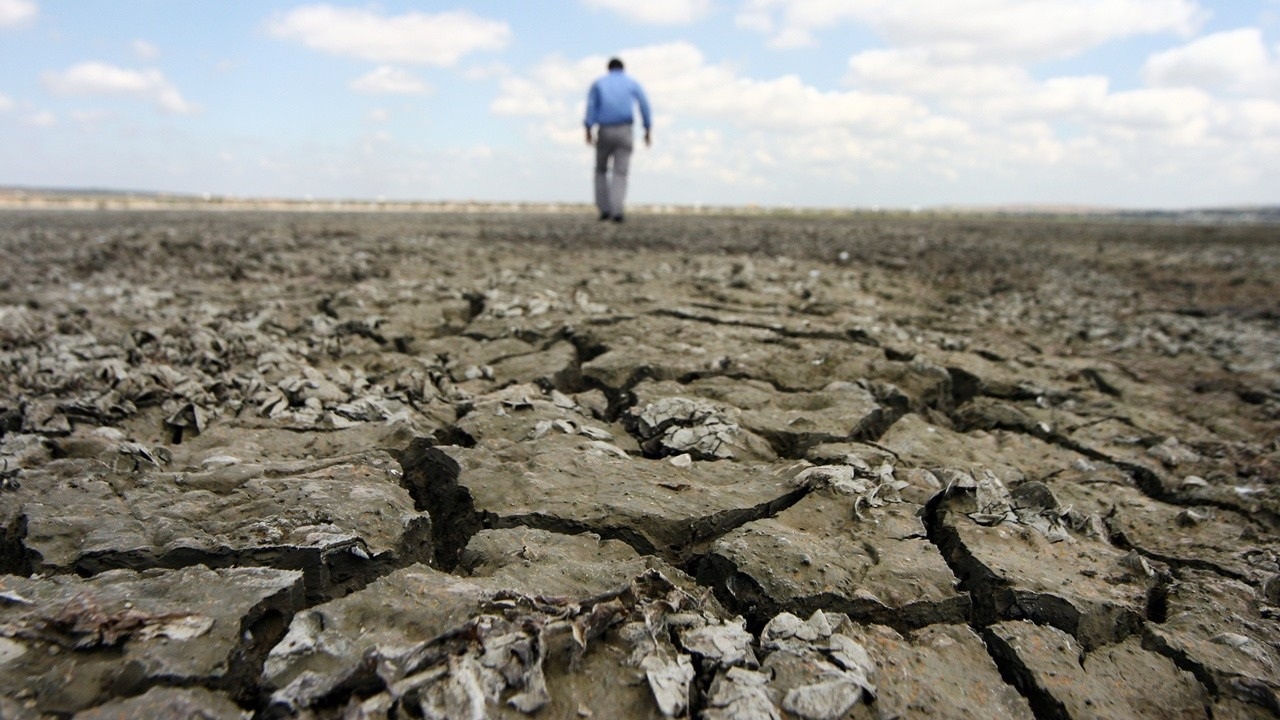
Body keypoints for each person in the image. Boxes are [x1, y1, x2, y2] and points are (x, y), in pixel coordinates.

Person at [584, 57, 651, 223]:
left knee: (601, 170)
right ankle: (617, 210)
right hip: (624, 129)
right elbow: (644, 105)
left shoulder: (599, 83)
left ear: (608, 68)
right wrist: (647, 128)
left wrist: (588, 128)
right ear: (623, 68)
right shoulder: (631, 83)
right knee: (620, 172)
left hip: (605, 130)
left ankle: (604, 209)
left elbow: (591, 106)